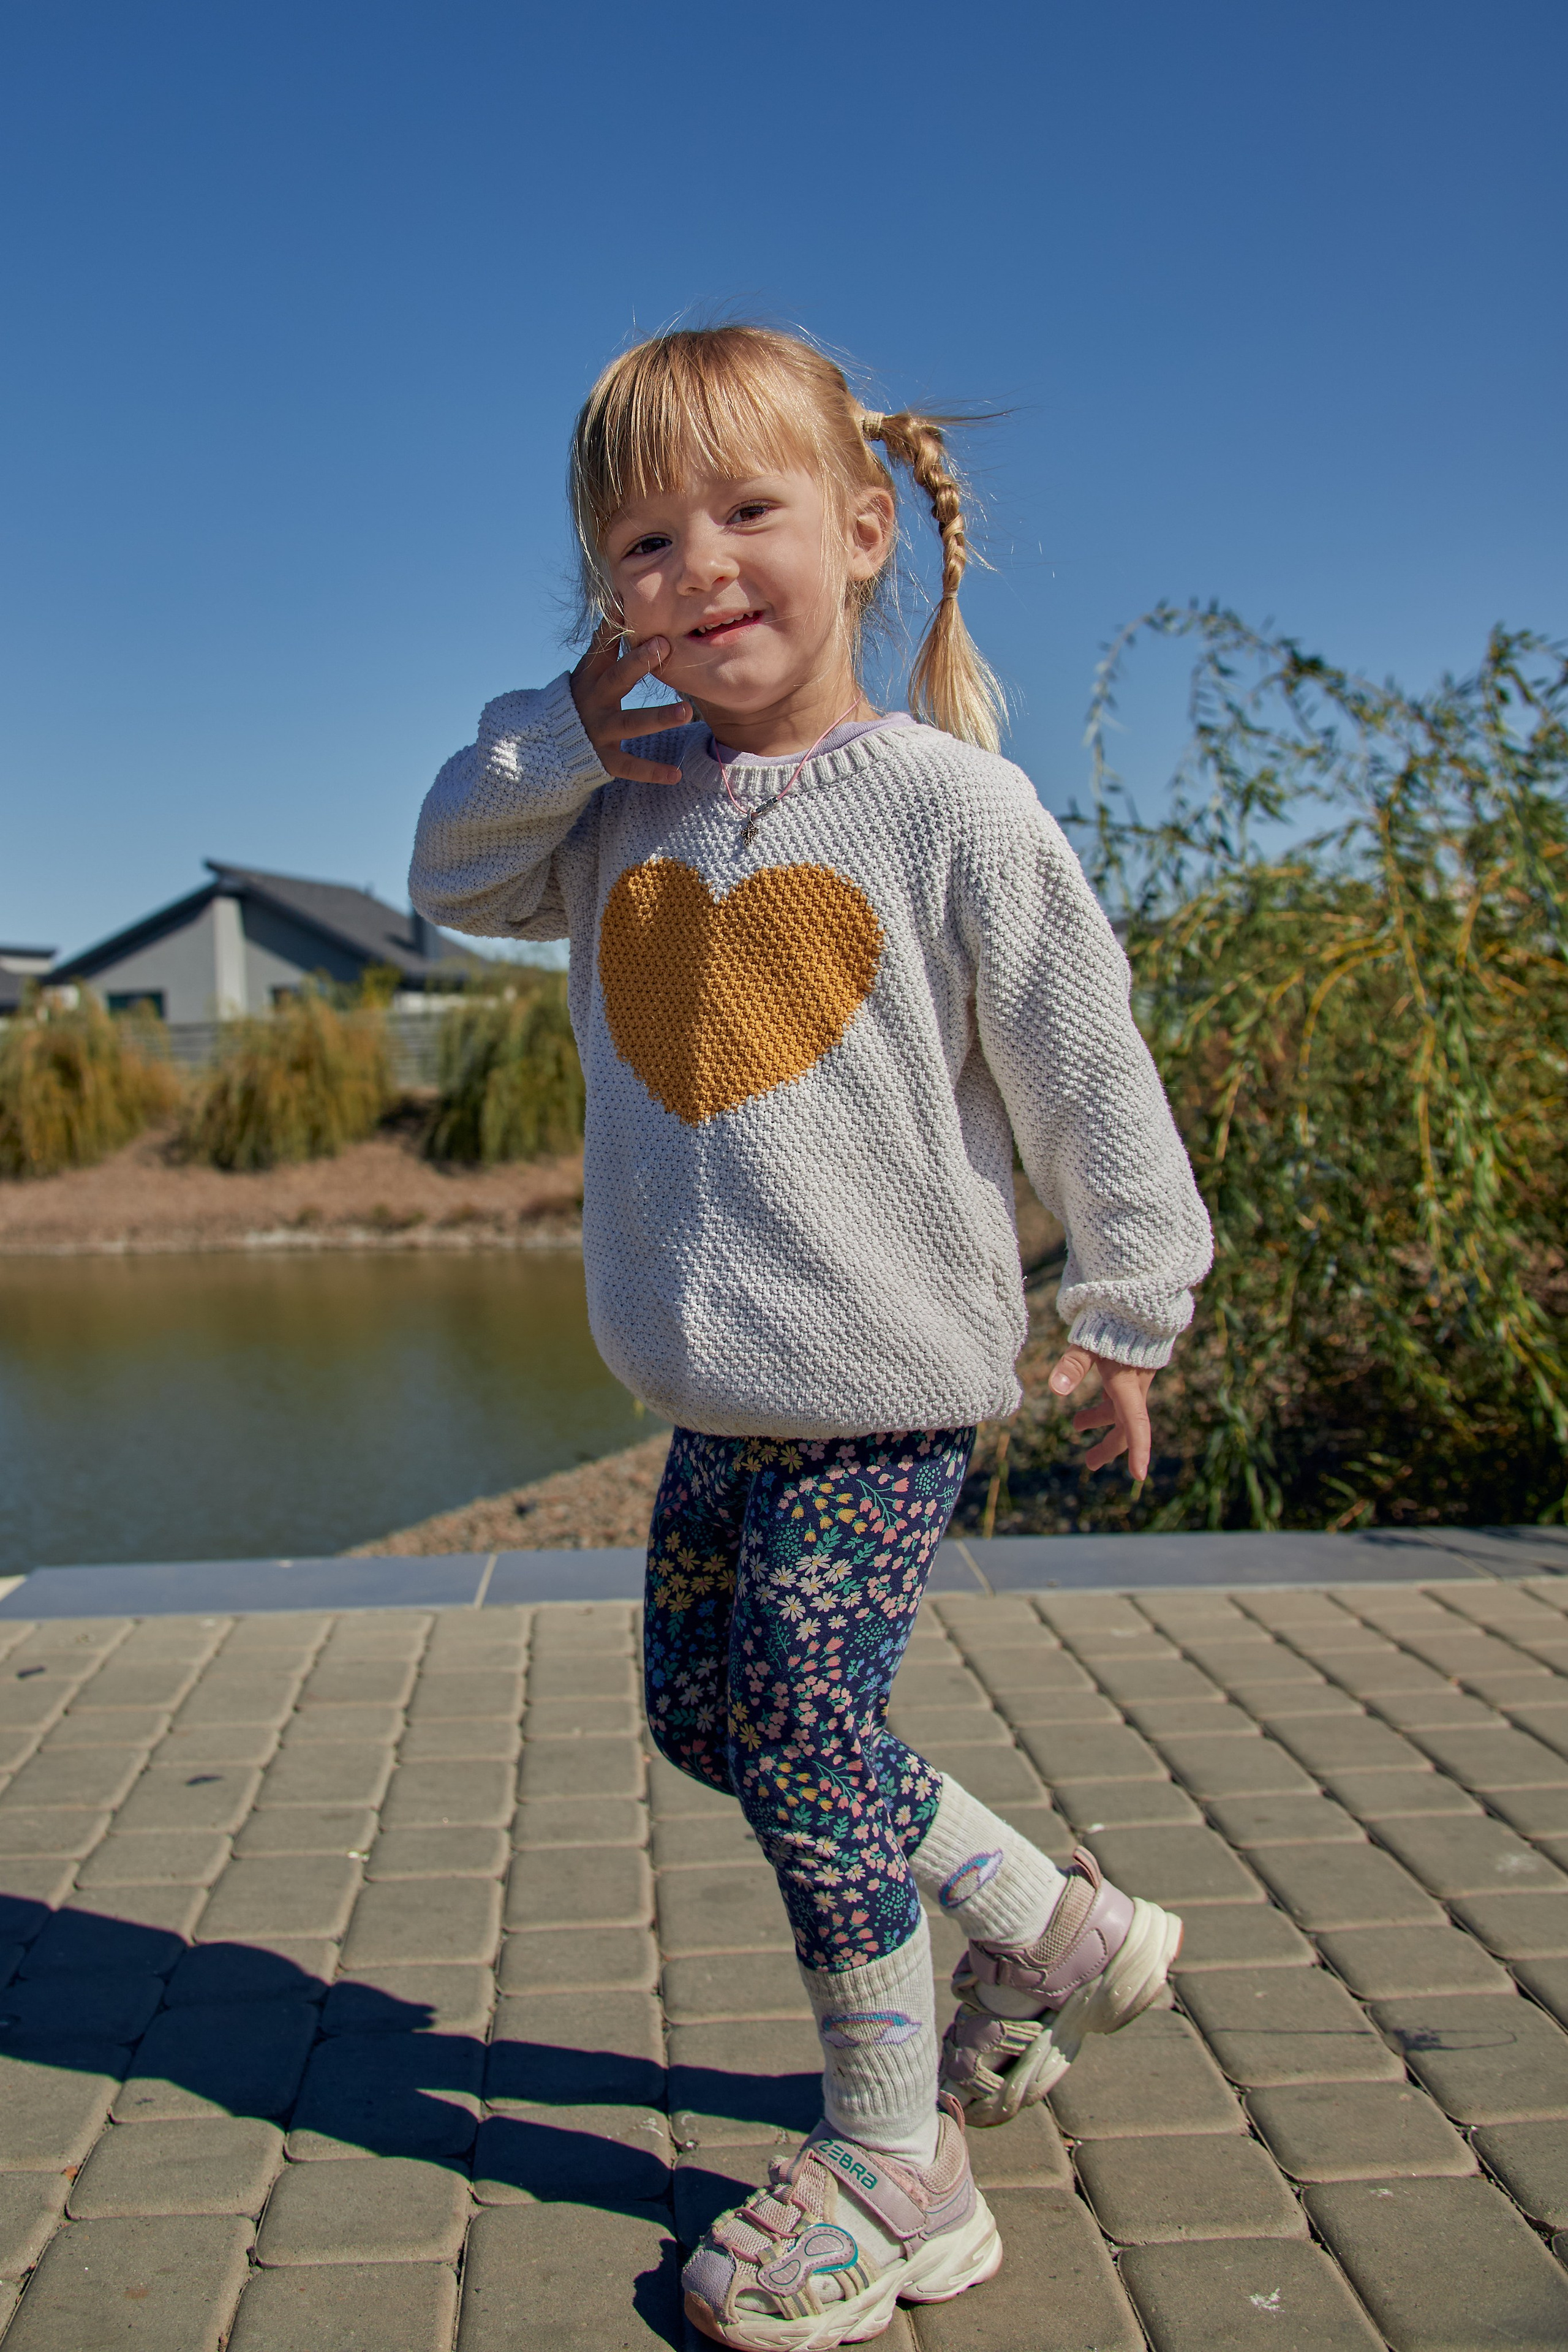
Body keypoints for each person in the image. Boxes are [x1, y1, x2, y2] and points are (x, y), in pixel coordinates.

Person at [410, 324, 1213, 2350]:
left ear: (863, 536)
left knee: (803, 1737)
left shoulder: (953, 809)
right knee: (721, 1723)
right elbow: (448, 871)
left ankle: (895, 2158)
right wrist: (570, 734)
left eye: (745, 515)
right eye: (641, 544)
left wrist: (1127, 1305)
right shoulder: (619, 803)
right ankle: (1056, 1929)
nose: (697, 570)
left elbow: (1086, 1078)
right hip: (712, 1394)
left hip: (880, 1390)